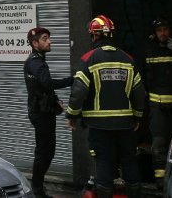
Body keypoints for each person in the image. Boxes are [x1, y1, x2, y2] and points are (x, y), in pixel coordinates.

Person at [65, 15, 146, 198]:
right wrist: (138, 116)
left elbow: (78, 92)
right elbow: (140, 92)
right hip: (126, 124)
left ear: (94, 36)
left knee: (103, 162)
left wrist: (72, 115)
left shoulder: (89, 58)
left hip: (99, 125)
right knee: (129, 161)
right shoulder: (128, 59)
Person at [24, 26, 72, 198]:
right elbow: (47, 83)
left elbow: (42, 87)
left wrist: (55, 99)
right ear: (35, 43)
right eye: (45, 39)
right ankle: (37, 190)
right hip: (40, 113)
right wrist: (72, 80)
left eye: (49, 38)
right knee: (44, 152)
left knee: (47, 151)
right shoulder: (35, 62)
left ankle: (38, 188)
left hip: (43, 111)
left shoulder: (38, 60)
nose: (49, 41)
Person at [143, 17, 172, 185]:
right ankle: (160, 181)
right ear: (154, 33)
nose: (163, 33)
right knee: (159, 143)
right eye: (159, 30)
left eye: (165, 29)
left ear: (170, 31)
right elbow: (145, 77)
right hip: (158, 105)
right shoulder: (150, 50)